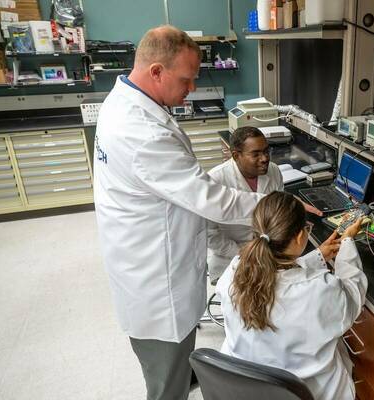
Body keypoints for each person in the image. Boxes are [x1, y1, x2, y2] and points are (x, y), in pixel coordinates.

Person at [93, 26, 264, 400]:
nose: (191, 89)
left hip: (144, 260)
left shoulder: (124, 101)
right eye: (186, 80)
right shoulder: (141, 132)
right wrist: (272, 205)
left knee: (171, 369)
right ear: (156, 71)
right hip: (157, 284)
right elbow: (208, 198)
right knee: (166, 386)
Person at [216, 192, 367, 400]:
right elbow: (352, 293)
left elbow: (280, 278)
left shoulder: (235, 270)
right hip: (310, 393)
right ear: (299, 236)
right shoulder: (318, 290)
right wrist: (348, 243)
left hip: (248, 389)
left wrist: (316, 258)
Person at [208, 126, 323, 282]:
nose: (264, 158)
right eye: (255, 154)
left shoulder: (273, 170)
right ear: (236, 156)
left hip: (270, 254)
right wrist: (243, 251)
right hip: (231, 260)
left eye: (266, 151)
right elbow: (210, 235)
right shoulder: (215, 180)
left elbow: (278, 213)